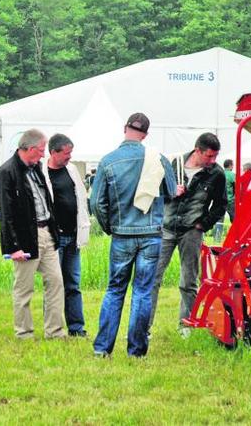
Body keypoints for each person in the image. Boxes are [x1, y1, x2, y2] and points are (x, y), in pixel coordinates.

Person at [91, 113, 176, 358]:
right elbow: (171, 192)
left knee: (114, 290)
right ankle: (136, 351)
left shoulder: (108, 161)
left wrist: (111, 227)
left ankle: (102, 349)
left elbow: (97, 203)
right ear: (146, 135)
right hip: (151, 233)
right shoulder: (157, 159)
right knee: (142, 291)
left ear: (125, 128)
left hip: (122, 234)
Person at [149, 133, 227, 337]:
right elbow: (153, 192)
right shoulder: (172, 164)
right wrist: (170, 191)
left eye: (215, 156)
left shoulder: (216, 174)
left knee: (188, 280)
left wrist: (204, 224)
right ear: (197, 150)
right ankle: (144, 327)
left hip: (191, 231)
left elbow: (220, 205)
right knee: (153, 277)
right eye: (209, 156)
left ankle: (186, 326)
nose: (212, 161)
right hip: (165, 228)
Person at [0, 129, 66, 340]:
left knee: (56, 282)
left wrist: (54, 232)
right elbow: (5, 212)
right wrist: (13, 247)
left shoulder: (36, 169)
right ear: (28, 148)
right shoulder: (7, 171)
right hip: (26, 237)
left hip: (47, 233)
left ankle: (55, 332)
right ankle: (24, 333)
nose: (43, 155)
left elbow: (46, 201)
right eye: (41, 150)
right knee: (24, 288)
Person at [46, 134, 91, 337]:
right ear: (53, 152)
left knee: (73, 284)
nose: (69, 157)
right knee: (55, 285)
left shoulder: (71, 170)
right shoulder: (41, 173)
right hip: (53, 238)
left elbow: (81, 199)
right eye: (66, 153)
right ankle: (54, 328)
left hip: (73, 237)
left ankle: (76, 328)